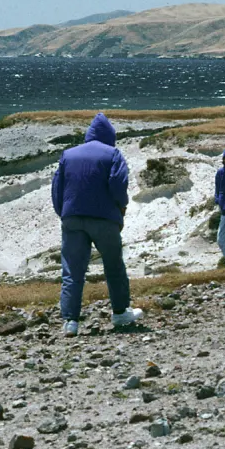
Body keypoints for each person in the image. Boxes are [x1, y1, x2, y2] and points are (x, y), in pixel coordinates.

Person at [51, 112, 145, 337]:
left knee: (72, 270)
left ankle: (70, 322)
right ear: (110, 136)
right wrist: (121, 209)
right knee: (113, 266)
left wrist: (64, 213)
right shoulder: (113, 153)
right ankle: (120, 313)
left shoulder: (68, 154)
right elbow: (118, 184)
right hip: (104, 218)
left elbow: (57, 188)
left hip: (72, 217)